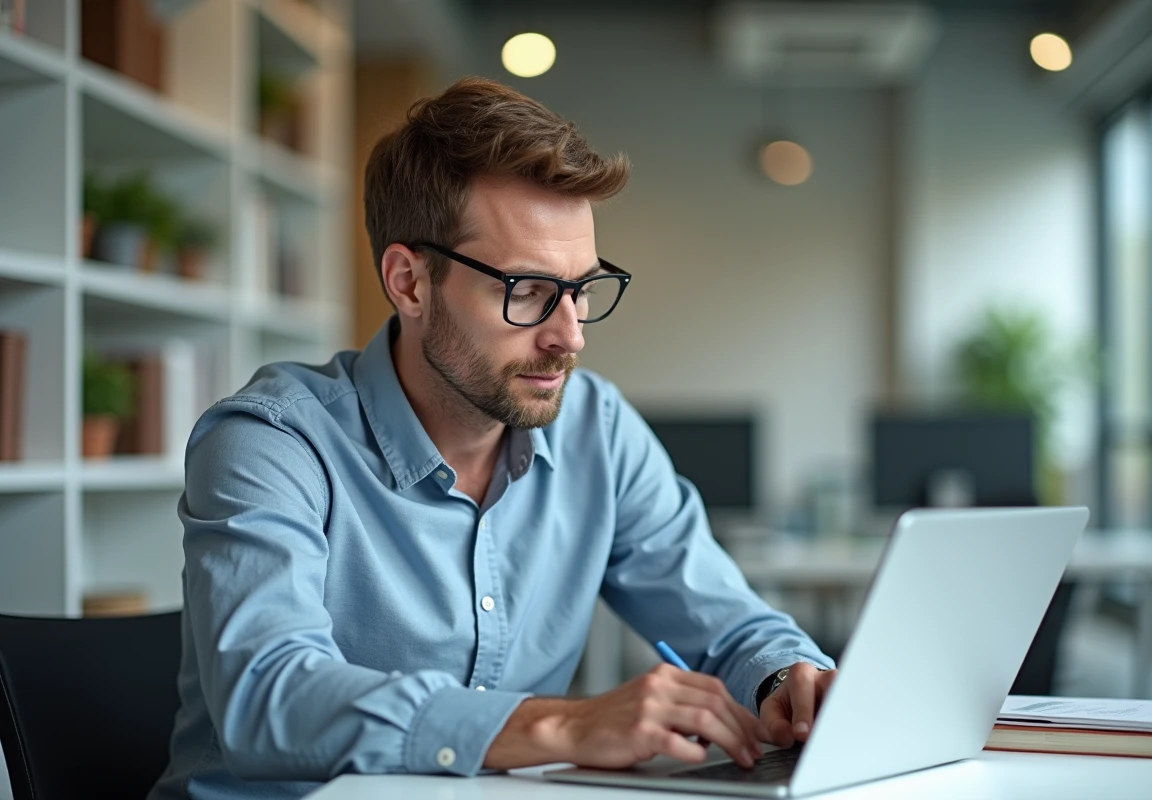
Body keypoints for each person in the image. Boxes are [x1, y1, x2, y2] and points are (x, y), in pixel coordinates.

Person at [149, 77, 836, 800]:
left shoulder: (596, 429)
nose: (569, 336)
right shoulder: (272, 444)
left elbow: (726, 621)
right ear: (410, 282)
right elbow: (269, 700)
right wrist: (561, 727)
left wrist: (789, 677)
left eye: (583, 289)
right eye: (529, 292)